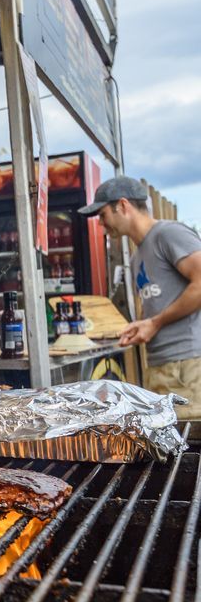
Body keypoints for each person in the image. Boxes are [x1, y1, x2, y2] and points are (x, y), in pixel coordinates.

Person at [78, 175, 201, 419]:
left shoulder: (168, 234)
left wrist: (155, 323)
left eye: (102, 215)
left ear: (123, 205)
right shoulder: (136, 257)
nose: (102, 224)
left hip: (188, 366)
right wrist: (141, 327)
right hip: (161, 366)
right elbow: (158, 307)